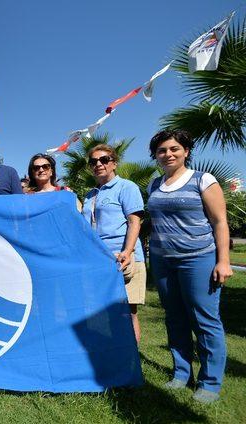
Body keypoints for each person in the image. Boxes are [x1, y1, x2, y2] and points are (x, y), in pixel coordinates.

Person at [147, 129, 232, 403]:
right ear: (156, 155)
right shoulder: (154, 184)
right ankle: (182, 374)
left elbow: (220, 222)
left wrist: (223, 261)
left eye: (174, 149)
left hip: (198, 259)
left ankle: (210, 383)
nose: (168, 154)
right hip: (163, 261)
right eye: (162, 150)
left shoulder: (202, 180)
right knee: (175, 318)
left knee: (205, 320)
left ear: (185, 151)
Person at [81, 144, 145, 343]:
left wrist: (128, 251)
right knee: (100, 311)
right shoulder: (90, 195)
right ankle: (110, 358)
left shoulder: (127, 187)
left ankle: (131, 362)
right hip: (97, 261)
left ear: (114, 163)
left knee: (127, 312)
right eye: (93, 162)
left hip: (121, 257)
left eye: (104, 160)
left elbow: (135, 221)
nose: (98, 164)